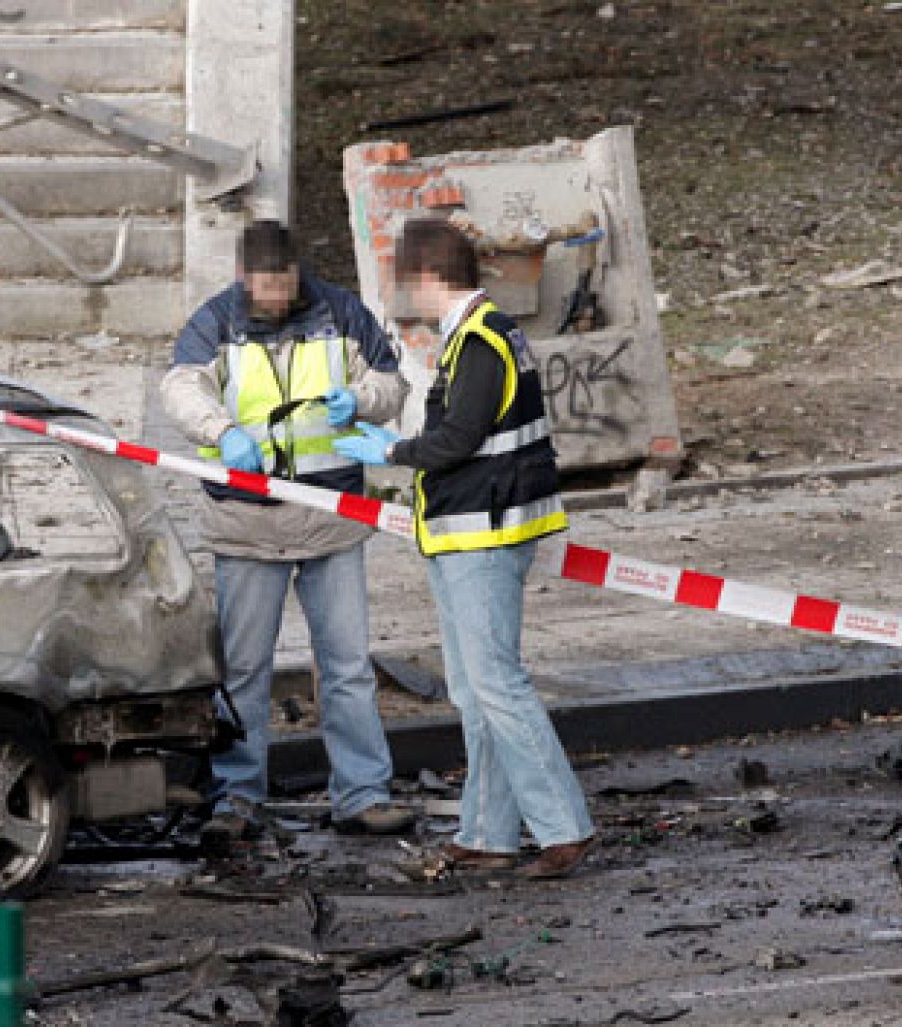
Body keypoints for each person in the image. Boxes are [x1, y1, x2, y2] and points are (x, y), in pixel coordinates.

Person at [334, 218, 596, 879]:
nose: (400, 295)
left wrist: (389, 450)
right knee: (475, 691)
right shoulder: (480, 336)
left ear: (427, 279)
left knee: (497, 686)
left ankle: (563, 827)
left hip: (484, 536)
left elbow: (456, 441)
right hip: (469, 533)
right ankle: (488, 831)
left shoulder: (480, 342)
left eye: (403, 282)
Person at [161, 220, 414, 844]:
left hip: (332, 519)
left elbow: (392, 383)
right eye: (265, 286)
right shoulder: (216, 322)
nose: (276, 297)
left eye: (285, 283)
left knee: (348, 667)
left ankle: (362, 794)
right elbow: (179, 388)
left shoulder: (340, 312)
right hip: (247, 523)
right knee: (245, 670)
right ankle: (236, 797)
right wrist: (222, 431)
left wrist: (360, 400)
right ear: (245, 277)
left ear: (298, 273)